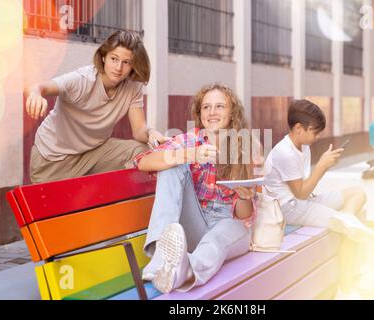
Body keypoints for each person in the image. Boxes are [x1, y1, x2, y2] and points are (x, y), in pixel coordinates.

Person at [134, 83, 258, 293]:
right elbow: (143, 162)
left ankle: (185, 271)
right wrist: (190, 154)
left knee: (215, 240)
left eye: (220, 106)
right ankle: (161, 259)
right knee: (172, 166)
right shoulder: (190, 140)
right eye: (206, 107)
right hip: (195, 221)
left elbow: (243, 214)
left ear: (231, 113)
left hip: (228, 223)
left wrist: (245, 196)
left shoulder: (242, 148)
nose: (212, 112)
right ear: (199, 114)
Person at [24, 30, 169, 184]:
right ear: (104, 57)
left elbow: (139, 130)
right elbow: (38, 87)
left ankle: (129, 200)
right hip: (53, 159)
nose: (118, 67)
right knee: (54, 207)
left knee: (144, 150)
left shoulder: (133, 87)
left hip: (94, 153)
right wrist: (35, 94)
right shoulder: (82, 80)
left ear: (133, 66)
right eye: (114, 58)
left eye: (126, 62)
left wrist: (151, 133)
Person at [264, 99, 374, 299]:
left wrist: (323, 165)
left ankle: (348, 217)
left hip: (304, 202)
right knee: (351, 229)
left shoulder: (302, 147)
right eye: (315, 132)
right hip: (288, 208)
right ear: (299, 128)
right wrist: (322, 167)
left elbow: (305, 190)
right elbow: (300, 193)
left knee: (358, 193)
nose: (317, 136)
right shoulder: (284, 153)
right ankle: (346, 289)